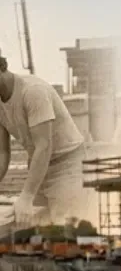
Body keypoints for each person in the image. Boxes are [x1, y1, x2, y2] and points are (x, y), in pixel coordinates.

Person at [0, 49, 86, 231]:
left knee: (65, 227)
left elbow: (44, 145)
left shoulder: (32, 92)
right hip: (38, 163)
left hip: (67, 163)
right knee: (33, 225)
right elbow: (3, 152)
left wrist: (26, 196)